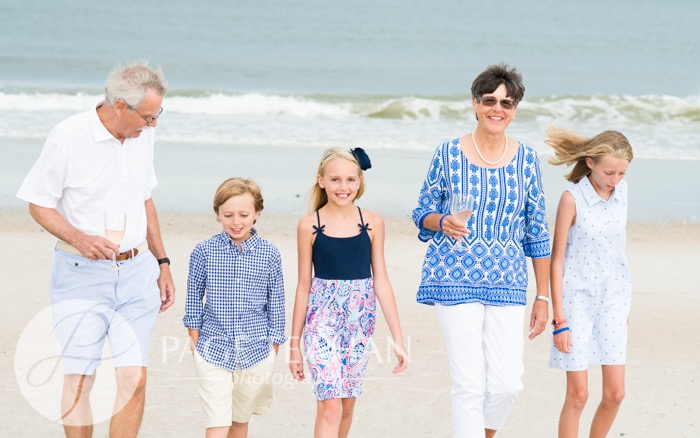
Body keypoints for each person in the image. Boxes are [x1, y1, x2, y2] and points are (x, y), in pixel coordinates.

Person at [16, 61, 174, 437]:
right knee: (80, 378)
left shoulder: (143, 135)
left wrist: (162, 262)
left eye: (157, 115)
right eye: (148, 117)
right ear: (121, 106)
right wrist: (79, 238)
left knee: (133, 380)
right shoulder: (68, 137)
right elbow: (38, 202)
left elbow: (145, 199)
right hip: (81, 275)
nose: (153, 125)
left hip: (137, 274)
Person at [411, 64, 551, 438]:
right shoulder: (447, 154)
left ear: (515, 109)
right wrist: (441, 221)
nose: (497, 109)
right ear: (475, 104)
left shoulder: (527, 160)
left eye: (507, 102)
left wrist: (542, 295)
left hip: (507, 281)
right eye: (489, 100)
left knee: (508, 384)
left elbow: (537, 231)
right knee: (469, 384)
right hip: (453, 276)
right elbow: (421, 211)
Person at [288, 147, 408, 437]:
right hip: (321, 324)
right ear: (321, 181)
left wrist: (398, 338)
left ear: (359, 182)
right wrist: (294, 345)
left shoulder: (372, 223)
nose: (344, 187)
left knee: (347, 405)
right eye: (336, 180)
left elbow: (381, 281)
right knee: (330, 406)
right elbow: (304, 286)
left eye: (351, 180)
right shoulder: (309, 226)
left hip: (359, 324)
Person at [546, 128, 633, 438]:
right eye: (609, 171)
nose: (615, 179)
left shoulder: (622, 193)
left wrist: (624, 303)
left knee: (615, 394)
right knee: (578, 396)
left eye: (622, 172)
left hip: (613, 300)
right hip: (576, 302)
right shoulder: (571, 199)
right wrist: (559, 320)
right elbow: (556, 260)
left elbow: (615, 253)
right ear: (590, 162)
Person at [183, 177, 287, 438]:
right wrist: (196, 344)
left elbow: (276, 303)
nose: (236, 221)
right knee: (217, 423)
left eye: (244, 214)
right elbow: (193, 300)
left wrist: (273, 348)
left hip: (256, 352)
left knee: (239, 421)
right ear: (218, 213)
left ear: (257, 214)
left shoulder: (270, 254)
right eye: (228, 214)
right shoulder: (204, 252)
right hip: (212, 350)